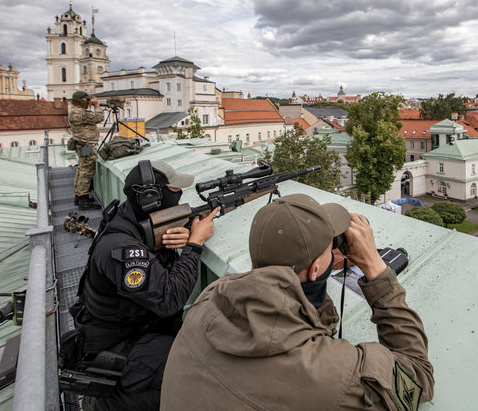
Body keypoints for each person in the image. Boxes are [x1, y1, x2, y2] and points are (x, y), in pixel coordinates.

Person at [161, 193, 434, 410]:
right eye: (331, 246)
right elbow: (417, 376)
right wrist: (374, 265)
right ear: (316, 270)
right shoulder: (331, 374)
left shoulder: (210, 297)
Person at [69, 160, 219, 411]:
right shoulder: (120, 248)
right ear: (152, 200)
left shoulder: (128, 217)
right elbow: (169, 298)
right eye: (174, 191)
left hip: (131, 334)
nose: (179, 196)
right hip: (120, 357)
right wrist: (194, 245)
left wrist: (184, 232)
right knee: (205, 370)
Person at [69, 91, 103, 210]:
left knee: (81, 169)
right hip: (86, 145)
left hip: (82, 144)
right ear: (81, 100)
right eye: (86, 100)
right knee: (86, 171)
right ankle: (83, 201)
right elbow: (99, 117)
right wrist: (96, 105)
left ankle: (79, 196)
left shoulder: (74, 110)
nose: (88, 102)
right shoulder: (79, 112)